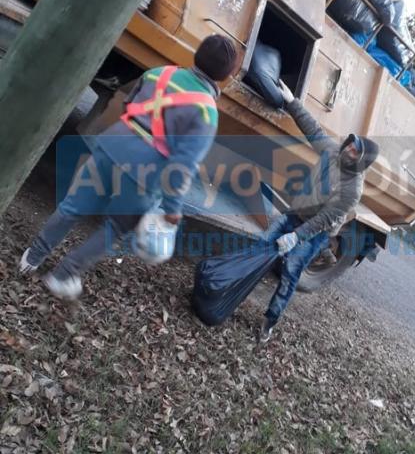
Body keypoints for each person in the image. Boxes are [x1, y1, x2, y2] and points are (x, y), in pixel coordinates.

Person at [19, 34, 237, 299]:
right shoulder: (206, 112)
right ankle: (64, 275)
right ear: (226, 76)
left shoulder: (160, 73)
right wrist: (172, 210)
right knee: (115, 227)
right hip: (144, 174)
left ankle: (32, 257)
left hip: (111, 145)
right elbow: (182, 166)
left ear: (197, 55)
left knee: (73, 206)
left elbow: (128, 104)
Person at [259, 80, 379, 344]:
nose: (349, 149)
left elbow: (324, 219)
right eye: (351, 144)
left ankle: (270, 321)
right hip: (295, 213)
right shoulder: (333, 151)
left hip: (315, 232)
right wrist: (292, 102)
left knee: (290, 271)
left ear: (362, 162)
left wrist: (295, 237)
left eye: (356, 151)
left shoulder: (352, 189)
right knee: (261, 245)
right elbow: (312, 129)